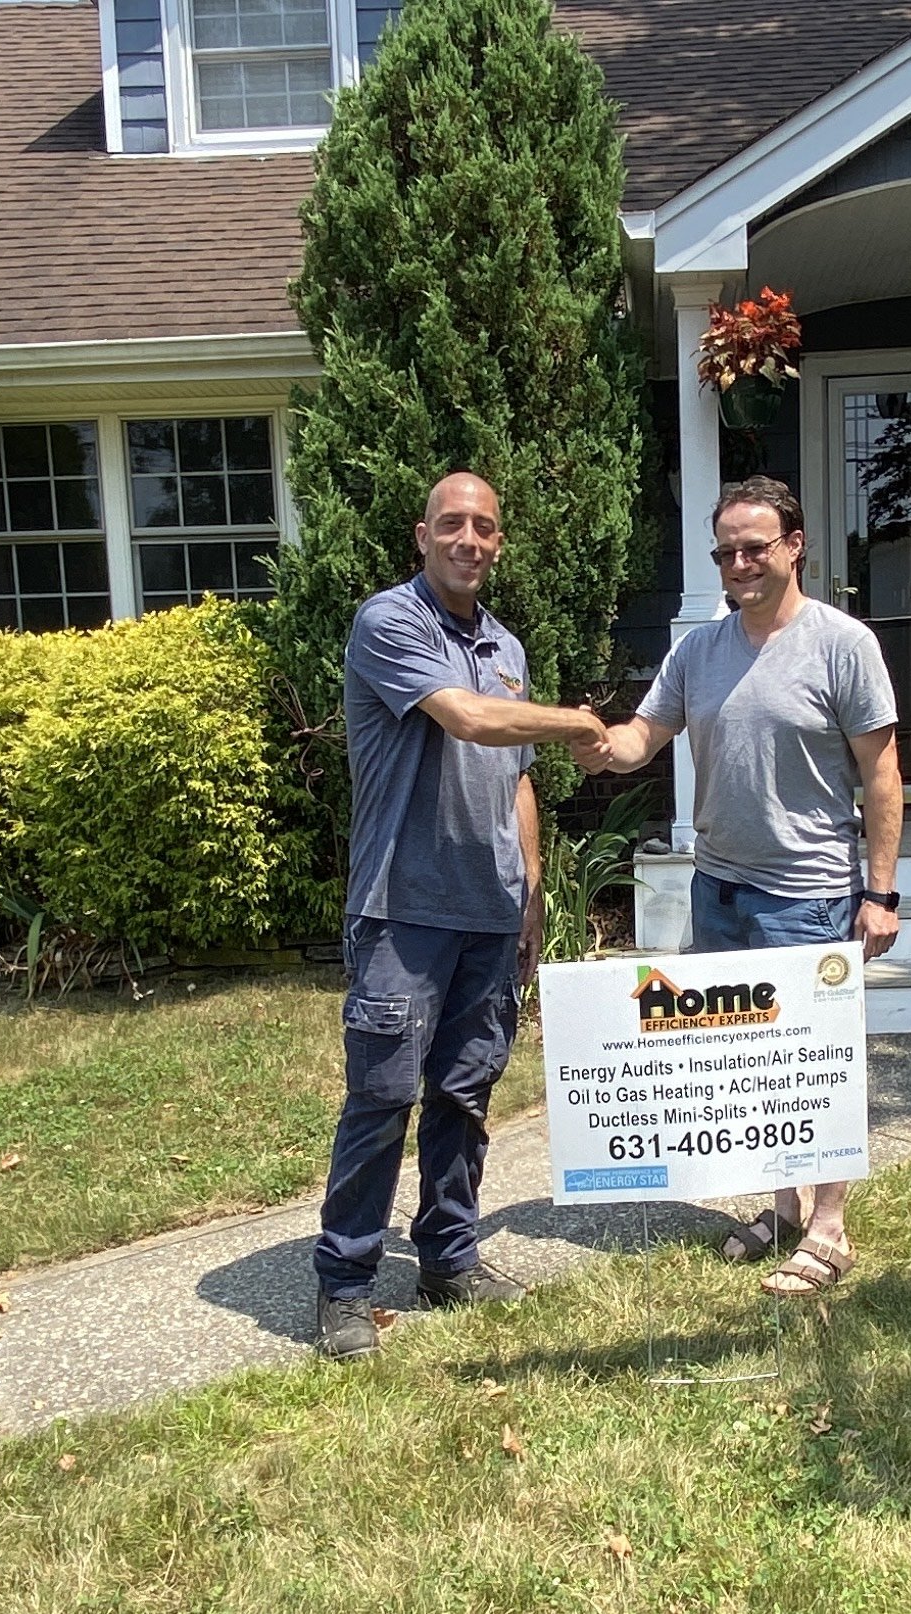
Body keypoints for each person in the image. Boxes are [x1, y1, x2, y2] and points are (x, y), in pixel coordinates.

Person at [570, 475, 902, 1297]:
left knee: (812, 1064)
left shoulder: (842, 644)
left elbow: (881, 773)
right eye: (725, 553)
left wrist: (880, 892)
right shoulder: (699, 651)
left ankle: (829, 1226)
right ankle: (783, 1208)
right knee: (746, 1060)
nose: (738, 564)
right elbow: (643, 736)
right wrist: (598, 744)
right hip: (717, 886)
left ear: (794, 546)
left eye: (754, 547)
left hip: (809, 891)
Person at [314, 471, 613, 1357]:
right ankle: (344, 1283)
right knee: (382, 1097)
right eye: (452, 524)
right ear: (423, 535)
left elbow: (513, 776)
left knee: (465, 1092)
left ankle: (447, 1258)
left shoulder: (505, 645)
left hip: (488, 910)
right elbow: (471, 721)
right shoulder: (390, 622)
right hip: (402, 909)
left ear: (498, 542)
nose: (468, 540)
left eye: (484, 526)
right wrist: (578, 722)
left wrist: (531, 887)